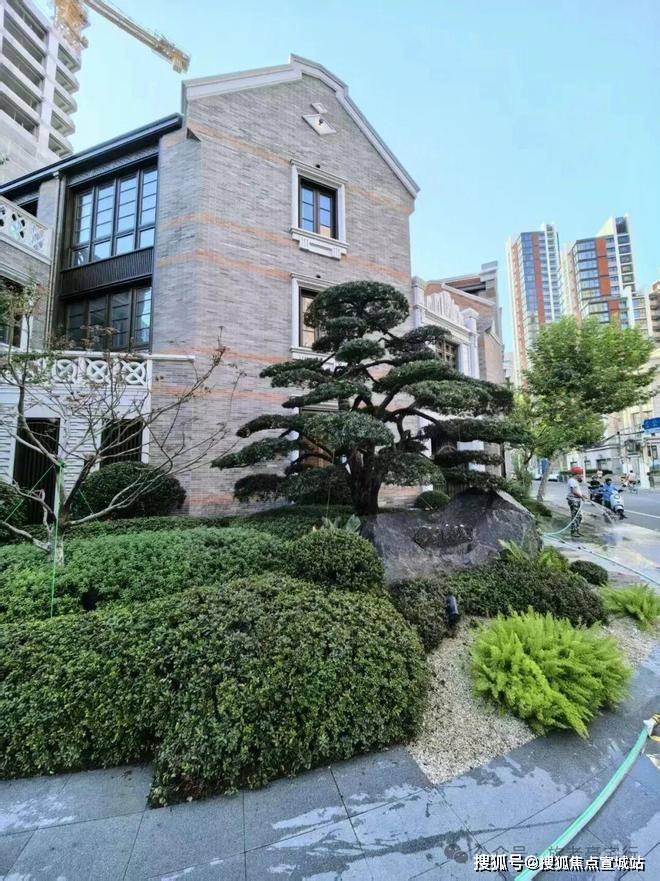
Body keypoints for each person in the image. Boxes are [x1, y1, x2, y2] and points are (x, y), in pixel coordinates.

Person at [566, 466, 586, 537]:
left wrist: (583, 495)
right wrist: (581, 497)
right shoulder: (572, 481)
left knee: (579, 516)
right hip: (573, 500)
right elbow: (574, 491)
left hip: (576, 500)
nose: (581, 476)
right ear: (577, 474)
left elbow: (577, 491)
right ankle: (573, 532)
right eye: (580, 474)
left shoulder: (575, 481)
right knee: (575, 516)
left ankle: (577, 530)